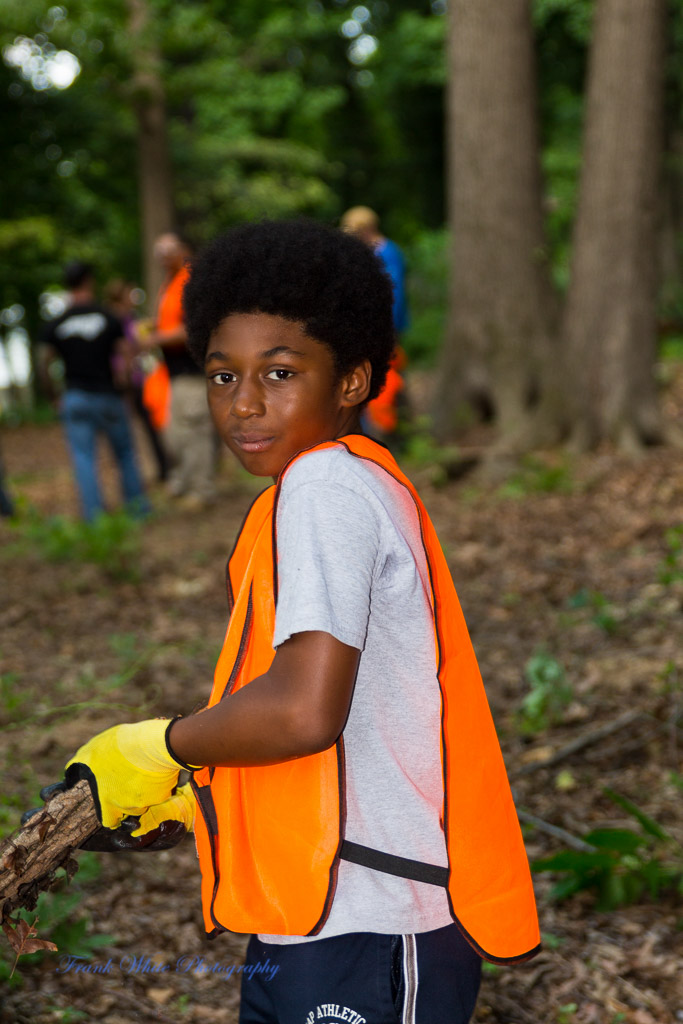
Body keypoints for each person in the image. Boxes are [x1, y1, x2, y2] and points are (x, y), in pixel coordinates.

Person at [58, 220, 540, 1024]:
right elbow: (338, 718)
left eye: (279, 372)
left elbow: (303, 710)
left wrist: (155, 745)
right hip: (317, 907)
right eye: (221, 377)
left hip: (376, 920)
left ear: (352, 380)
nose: (245, 403)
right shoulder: (335, 485)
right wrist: (201, 783)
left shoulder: (324, 489)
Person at [41, 261, 149, 522]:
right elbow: (126, 357)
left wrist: (54, 397)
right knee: (124, 453)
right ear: (89, 281)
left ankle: (94, 518)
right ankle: (138, 511)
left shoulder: (56, 323)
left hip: (75, 397)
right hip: (108, 396)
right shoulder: (108, 317)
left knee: (84, 459)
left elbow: (43, 364)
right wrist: (127, 390)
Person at [139, 232, 216, 507]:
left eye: (168, 251)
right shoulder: (168, 285)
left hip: (193, 370)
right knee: (177, 432)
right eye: (158, 252)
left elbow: (192, 327)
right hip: (173, 372)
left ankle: (202, 490)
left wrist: (156, 338)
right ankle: (185, 482)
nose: (162, 257)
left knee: (195, 430)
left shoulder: (191, 281)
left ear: (183, 250)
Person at [340, 206, 410, 444]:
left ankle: (389, 433)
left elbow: (394, 295)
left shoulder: (387, 253)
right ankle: (372, 431)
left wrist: (387, 328)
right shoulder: (363, 254)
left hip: (385, 329)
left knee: (387, 379)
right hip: (365, 328)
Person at [104, 279, 171, 483]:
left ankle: (162, 467)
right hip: (127, 380)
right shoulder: (116, 321)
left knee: (149, 423)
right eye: (129, 294)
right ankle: (143, 471)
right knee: (134, 426)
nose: (133, 297)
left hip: (140, 378)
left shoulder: (132, 318)